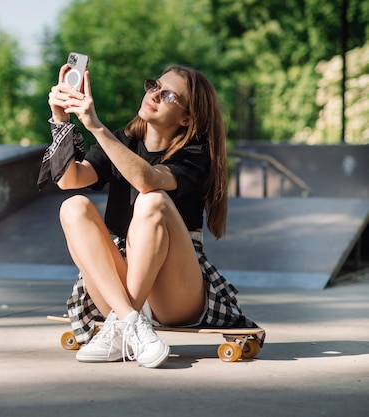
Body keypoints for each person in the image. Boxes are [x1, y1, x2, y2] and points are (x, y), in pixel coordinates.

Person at [41, 62, 261, 369]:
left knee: (152, 201)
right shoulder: (122, 141)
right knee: (73, 206)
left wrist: (95, 127)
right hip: (120, 281)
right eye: (155, 86)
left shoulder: (196, 155)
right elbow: (68, 179)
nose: (156, 95)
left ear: (187, 118)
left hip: (175, 290)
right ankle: (129, 322)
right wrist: (60, 117)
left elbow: (147, 180)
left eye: (169, 96)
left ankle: (122, 326)